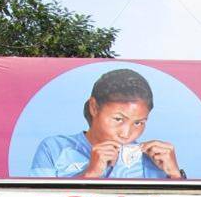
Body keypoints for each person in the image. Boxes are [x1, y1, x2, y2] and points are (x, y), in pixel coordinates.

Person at [30, 68, 186, 180]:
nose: (126, 134)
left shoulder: (154, 159)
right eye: (118, 119)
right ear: (94, 107)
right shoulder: (55, 148)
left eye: (138, 123)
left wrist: (175, 175)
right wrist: (90, 174)